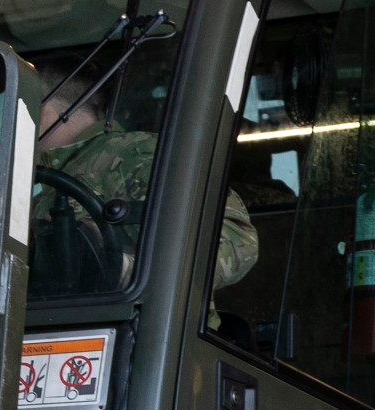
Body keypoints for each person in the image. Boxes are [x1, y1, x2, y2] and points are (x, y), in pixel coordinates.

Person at [30, 80, 259, 289]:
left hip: (134, 329)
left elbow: (236, 242)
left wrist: (115, 266)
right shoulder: (42, 184)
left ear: (39, 112)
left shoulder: (134, 153)